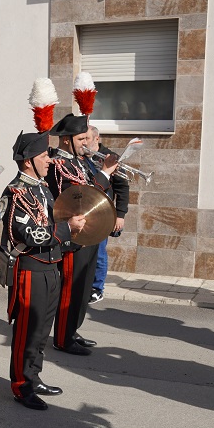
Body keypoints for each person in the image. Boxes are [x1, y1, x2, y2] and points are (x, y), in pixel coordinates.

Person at [1, 132, 85, 410]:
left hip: (50, 265)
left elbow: (51, 221)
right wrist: (67, 229)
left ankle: (33, 377)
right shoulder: (16, 192)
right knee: (27, 330)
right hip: (30, 269)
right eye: (43, 156)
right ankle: (21, 385)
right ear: (27, 162)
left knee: (41, 330)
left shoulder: (41, 187)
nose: (49, 160)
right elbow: (31, 233)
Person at [46, 114, 117, 355]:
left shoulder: (79, 161)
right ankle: (63, 338)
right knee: (70, 289)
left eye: (87, 137)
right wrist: (105, 173)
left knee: (83, 288)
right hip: (71, 237)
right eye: (82, 138)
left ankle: (72, 330)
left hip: (87, 234)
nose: (86, 142)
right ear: (66, 140)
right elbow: (84, 199)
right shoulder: (59, 165)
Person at [86, 126, 128, 304]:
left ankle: (97, 287)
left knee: (100, 252)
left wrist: (120, 215)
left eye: (87, 138)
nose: (84, 141)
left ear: (97, 139)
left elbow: (123, 187)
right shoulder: (81, 158)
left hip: (104, 213)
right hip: (86, 211)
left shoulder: (110, 157)